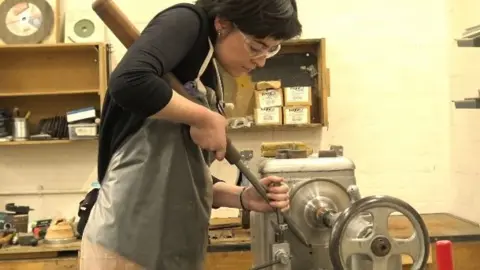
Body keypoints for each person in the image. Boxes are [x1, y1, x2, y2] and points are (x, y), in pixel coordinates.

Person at [79, 0, 302, 269]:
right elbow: (129, 81)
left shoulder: (205, 71)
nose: (262, 60)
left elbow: (181, 174)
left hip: (173, 251)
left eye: (271, 50)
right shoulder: (188, 20)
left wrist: (242, 197)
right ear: (222, 23)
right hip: (128, 250)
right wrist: (202, 117)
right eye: (256, 46)